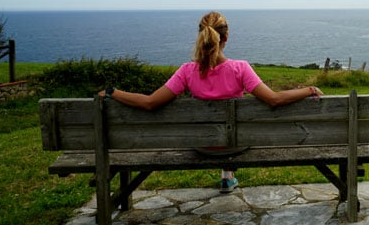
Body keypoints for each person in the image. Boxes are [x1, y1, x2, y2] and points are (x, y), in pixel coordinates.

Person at [98, 10, 323, 193]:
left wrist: (113, 92)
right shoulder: (240, 69)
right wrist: (309, 89)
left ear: (201, 36)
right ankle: (228, 173)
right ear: (225, 38)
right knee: (230, 129)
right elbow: (274, 99)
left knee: (218, 130)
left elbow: (149, 103)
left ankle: (227, 175)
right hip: (237, 144)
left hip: (203, 145)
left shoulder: (187, 72)